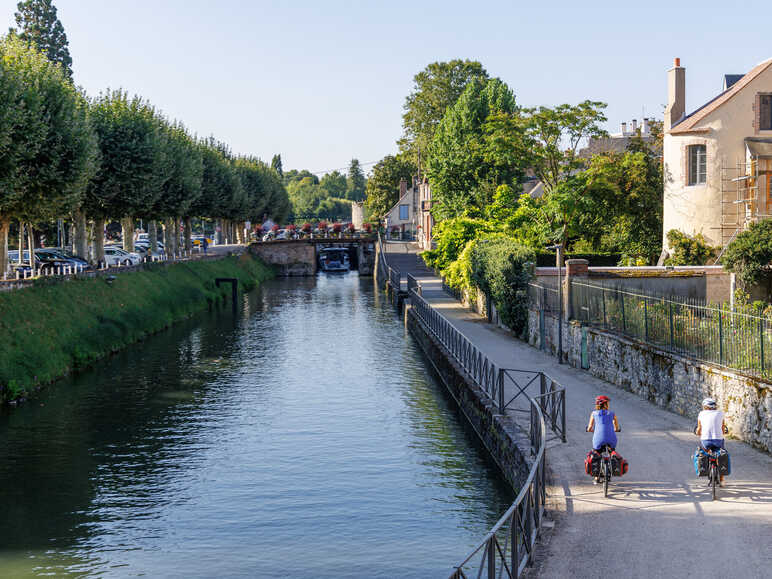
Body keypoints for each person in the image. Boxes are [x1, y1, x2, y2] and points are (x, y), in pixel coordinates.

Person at [586, 395, 621, 483]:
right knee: (611, 451)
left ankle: (596, 477)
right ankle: (610, 469)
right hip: (611, 439)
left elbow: (589, 428)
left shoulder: (594, 413)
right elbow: (616, 427)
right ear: (605, 404)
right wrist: (616, 429)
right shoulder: (612, 414)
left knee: (596, 453)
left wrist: (591, 430)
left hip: (598, 439)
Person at [695, 397, 728, 485]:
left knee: (705, 453)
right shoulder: (720, 413)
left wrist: (698, 433)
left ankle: (705, 468)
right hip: (718, 440)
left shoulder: (701, 414)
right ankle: (721, 480)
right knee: (721, 454)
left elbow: (699, 429)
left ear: (705, 406)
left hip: (705, 440)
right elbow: (722, 428)